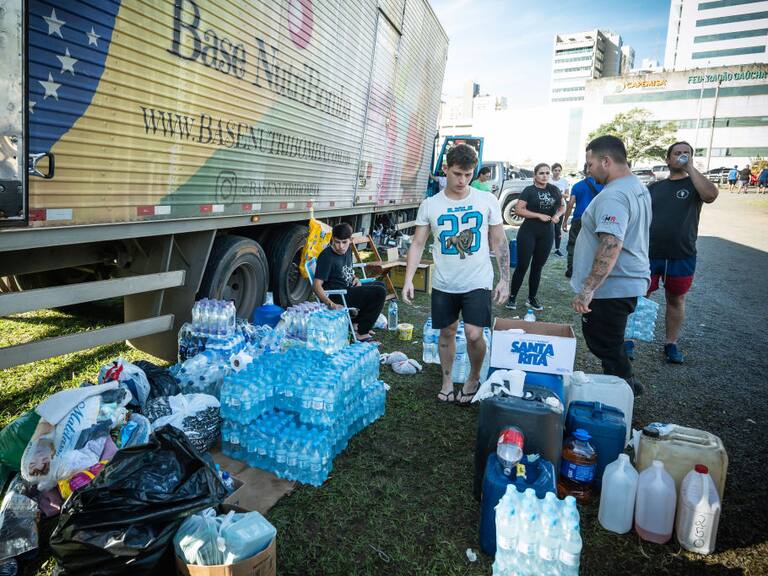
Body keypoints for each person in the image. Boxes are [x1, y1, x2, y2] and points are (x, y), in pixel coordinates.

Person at [402, 143, 509, 405]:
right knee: (447, 331)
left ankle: (473, 377)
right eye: (457, 173)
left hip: (477, 280)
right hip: (444, 282)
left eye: (468, 174)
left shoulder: (487, 200)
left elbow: (499, 241)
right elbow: (417, 244)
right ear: (446, 169)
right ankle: (447, 380)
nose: (462, 180)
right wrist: (408, 279)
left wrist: (504, 278)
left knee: (474, 333)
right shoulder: (430, 204)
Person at [571, 135, 651, 395]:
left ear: (606, 161)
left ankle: (623, 390)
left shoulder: (614, 195)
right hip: (625, 281)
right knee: (609, 341)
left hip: (613, 285)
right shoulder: (635, 185)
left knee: (603, 342)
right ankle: (625, 383)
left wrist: (588, 288)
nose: (588, 170)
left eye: (591, 163)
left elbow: (611, 243)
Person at [635, 142, 719, 364]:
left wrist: (691, 169)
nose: (682, 156)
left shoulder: (695, 186)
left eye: (686, 153)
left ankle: (671, 344)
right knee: (642, 296)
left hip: (681, 255)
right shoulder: (654, 188)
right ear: (668, 159)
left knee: (676, 299)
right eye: (677, 153)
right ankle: (630, 341)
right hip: (650, 254)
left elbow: (711, 195)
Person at [313, 223, 387, 342]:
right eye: (337, 242)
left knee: (381, 285)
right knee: (379, 292)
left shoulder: (347, 250)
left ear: (351, 240)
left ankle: (357, 324)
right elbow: (316, 286)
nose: (340, 246)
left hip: (348, 288)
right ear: (332, 239)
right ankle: (361, 333)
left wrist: (355, 278)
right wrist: (331, 304)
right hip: (337, 295)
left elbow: (346, 269)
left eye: (344, 242)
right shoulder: (326, 256)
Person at [505, 163, 565, 311]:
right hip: (528, 232)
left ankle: (531, 299)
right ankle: (512, 298)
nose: (545, 176)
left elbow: (562, 206)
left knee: (537, 268)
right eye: (541, 173)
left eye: (547, 173)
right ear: (535, 175)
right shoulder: (529, 190)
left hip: (547, 233)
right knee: (522, 266)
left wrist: (557, 215)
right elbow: (519, 210)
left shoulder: (554, 190)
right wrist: (539, 215)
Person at [562, 165, 603, 278]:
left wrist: (565, 221)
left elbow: (570, 204)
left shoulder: (577, 186)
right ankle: (590, 269)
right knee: (594, 244)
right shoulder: (603, 185)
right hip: (596, 218)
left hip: (578, 218)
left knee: (573, 243)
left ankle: (571, 267)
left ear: (585, 172)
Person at [550, 163, 570, 257]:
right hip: (549, 206)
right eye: (555, 170)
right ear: (552, 171)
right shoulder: (548, 180)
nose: (557, 172)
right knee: (547, 228)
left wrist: (559, 194)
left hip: (560, 207)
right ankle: (545, 247)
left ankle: (557, 249)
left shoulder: (564, 181)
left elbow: (567, 195)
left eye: (559, 170)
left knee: (557, 228)